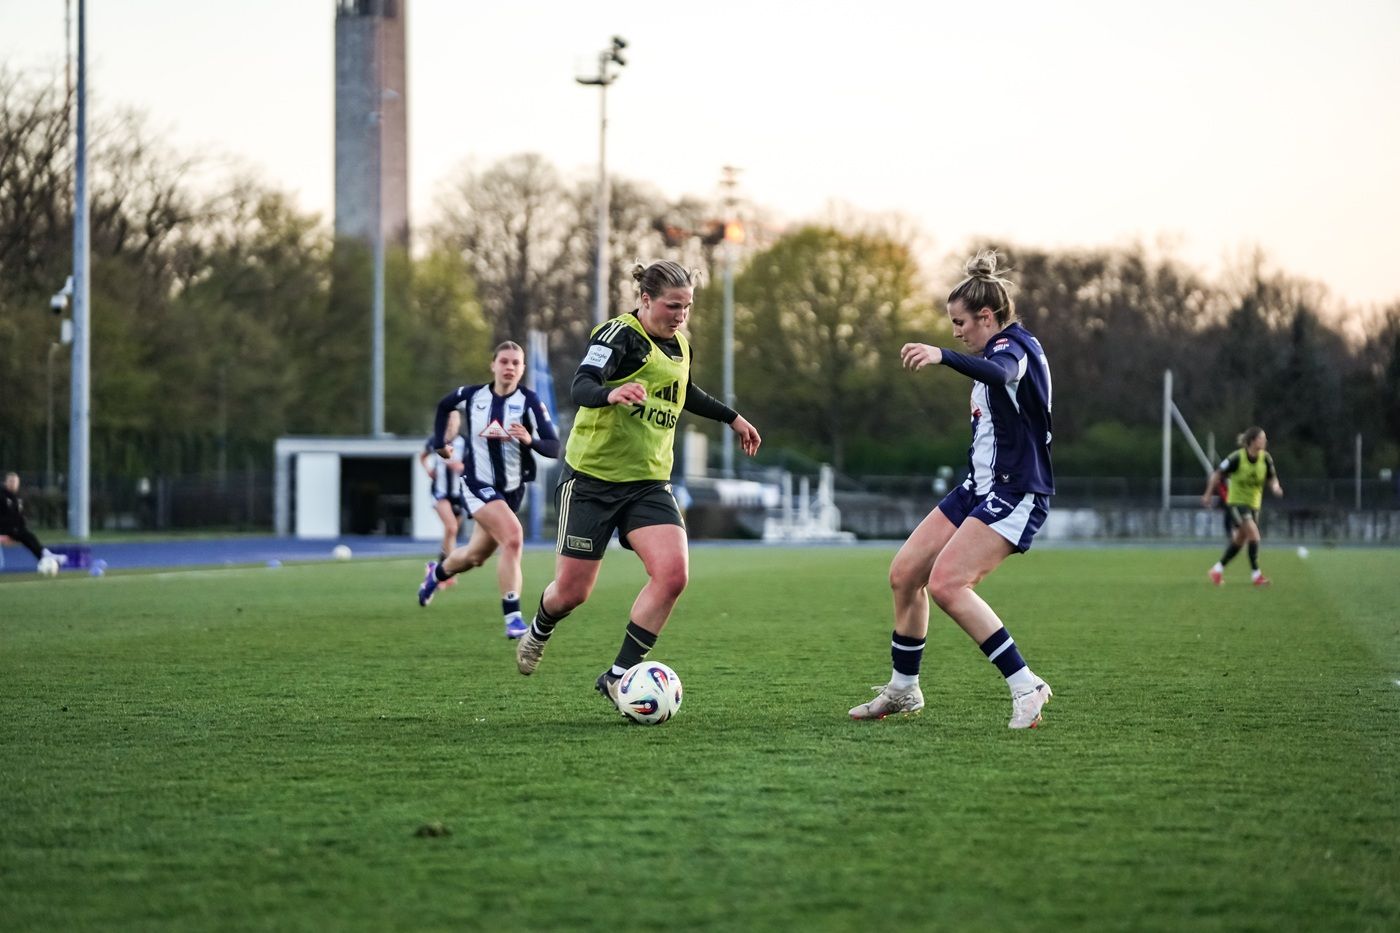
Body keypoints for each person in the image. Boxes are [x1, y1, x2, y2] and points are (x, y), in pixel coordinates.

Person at [513, 260, 762, 712]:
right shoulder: (619, 335)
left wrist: (732, 417)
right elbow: (581, 385)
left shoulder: (680, 345)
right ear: (645, 300)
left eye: (687, 307)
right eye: (672, 305)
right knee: (572, 592)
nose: (681, 315)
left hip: (648, 483)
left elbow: (683, 392)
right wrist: (610, 392)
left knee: (673, 574)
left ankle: (616, 676)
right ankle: (540, 628)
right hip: (592, 480)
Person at [849, 250, 1055, 729]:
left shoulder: (1015, 348)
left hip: (1016, 490)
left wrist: (944, 357)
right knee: (905, 574)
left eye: (961, 323)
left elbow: (1002, 372)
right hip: (976, 488)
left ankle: (1025, 685)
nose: (956, 332)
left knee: (946, 584)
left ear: (987, 317)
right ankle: (903, 689)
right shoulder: (993, 350)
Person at [416, 341, 561, 639]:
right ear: (493, 365)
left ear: (522, 369)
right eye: (504, 361)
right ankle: (514, 619)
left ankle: (437, 573)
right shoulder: (472, 396)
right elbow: (444, 405)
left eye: (515, 363)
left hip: (511, 490)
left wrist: (530, 441)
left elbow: (554, 447)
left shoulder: (530, 402)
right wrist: (441, 443)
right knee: (514, 538)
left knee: (474, 556)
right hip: (477, 484)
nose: (509, 367)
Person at [1201, 426, 1283, 587]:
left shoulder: (1266, 459)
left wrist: (1275, 487)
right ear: (1253, 441)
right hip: (1236, 503)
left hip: (1254, 505)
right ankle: (1256, 575)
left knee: (1240, 540)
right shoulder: (1237, 458)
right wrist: (1208, 494)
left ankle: (1217, 570)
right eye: (1262, 438)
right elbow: (1217, 474)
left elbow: (1272, 478)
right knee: (1254, 535)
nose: (1265, 440)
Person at [420, 429, 467, 564]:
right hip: (440, 492)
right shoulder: (435, 440)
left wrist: (461, 467)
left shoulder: (465, 442)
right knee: (451, 527)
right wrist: (428, 470)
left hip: (459, 493)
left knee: (452, 531)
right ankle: (451, 569)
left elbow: (473, 465)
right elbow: (422, 456)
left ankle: (440, 564)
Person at [1, 472, 55, 569]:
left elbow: (19, 517)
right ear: (6, 482)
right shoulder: (2, 495)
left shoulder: (17, 498)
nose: (13, 484)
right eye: (11, 481)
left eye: (15, 482)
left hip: (14, 529)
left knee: (29, 537)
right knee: (26, 536)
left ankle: (43, 557)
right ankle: (44, 555)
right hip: (5, 529)